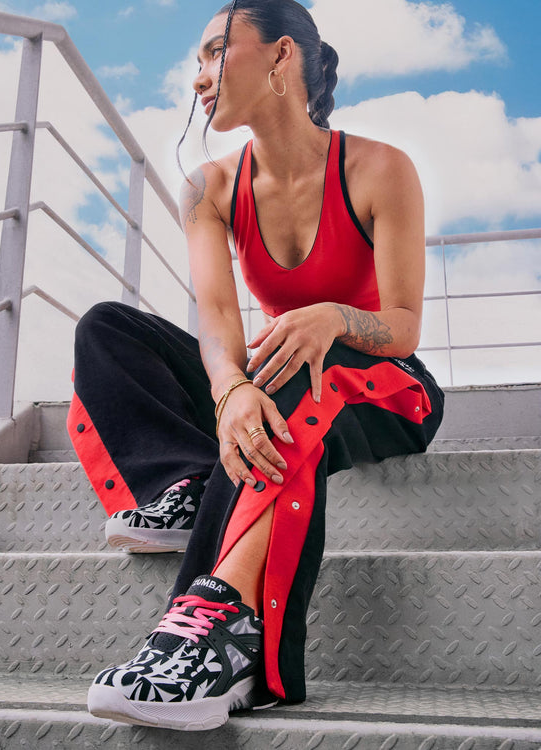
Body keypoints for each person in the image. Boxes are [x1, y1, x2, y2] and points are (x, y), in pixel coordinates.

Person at [69, 0, 444, 732]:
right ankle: (188, 483)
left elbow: (403, 327)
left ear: (281, 56)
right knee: (107, 330)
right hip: (274, 379)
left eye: (216, 51)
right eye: (197, 62)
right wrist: (231, 389)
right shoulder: (208, 187)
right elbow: (216, 317)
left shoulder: (380, 168)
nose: (199, 77)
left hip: (384, 385)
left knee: (303, 363)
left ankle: (221, 626)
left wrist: (333, 317)